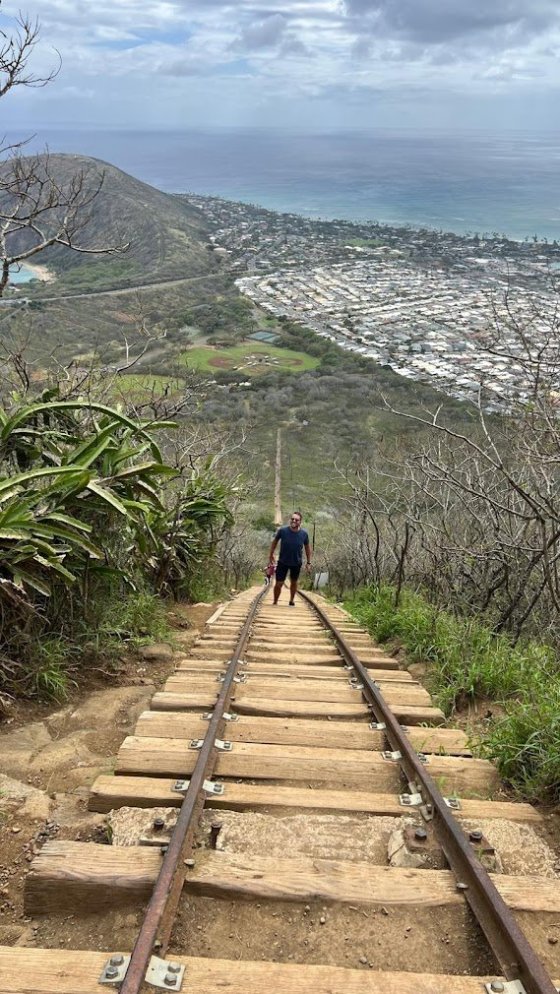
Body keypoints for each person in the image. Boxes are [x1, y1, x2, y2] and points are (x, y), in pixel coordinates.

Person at [268, 511, 312, 606]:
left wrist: (308, 563)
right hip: (283, 561)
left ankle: (291, 600)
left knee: (294, 582)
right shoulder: (283, 531)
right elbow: (275, 542)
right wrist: (271, 554)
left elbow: (307, 548)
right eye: (292, 519)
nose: (294, 521)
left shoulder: (304, 534)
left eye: (296, 520)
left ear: (300, 522)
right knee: (279, 583)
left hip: (296, 562)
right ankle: (275, 601)